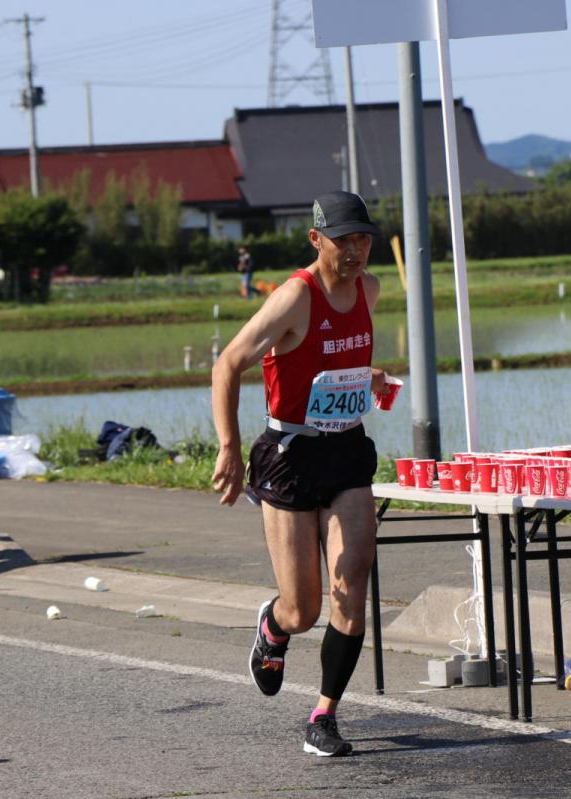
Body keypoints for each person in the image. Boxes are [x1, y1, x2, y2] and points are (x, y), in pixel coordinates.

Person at [211, 191, 391, 757]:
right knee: (304, 609)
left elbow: (338, 364)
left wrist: (372, 379)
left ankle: (324, 716)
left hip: (347, 453)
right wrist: (229, 448)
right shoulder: (295, 296)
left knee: (353, 582)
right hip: (289, 456)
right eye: (344, 239)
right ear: (316, 239)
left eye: (363, 237)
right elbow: (228, 364)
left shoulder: (370, 289)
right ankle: (274, 626)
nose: (357, 249)